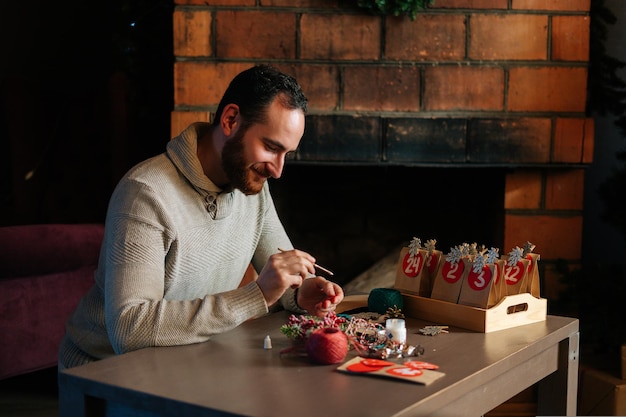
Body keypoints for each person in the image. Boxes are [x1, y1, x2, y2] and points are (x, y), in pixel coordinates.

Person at [58, 64, 344, 370]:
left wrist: (303, 291)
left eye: (286, 153)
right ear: (231, 120)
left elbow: (283, 280)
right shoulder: (145, 193)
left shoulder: (251, 187)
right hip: (106, 372)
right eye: (270, 147)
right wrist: (255, 295)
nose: (277, 170)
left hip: (186, 363)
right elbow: (129, 330)